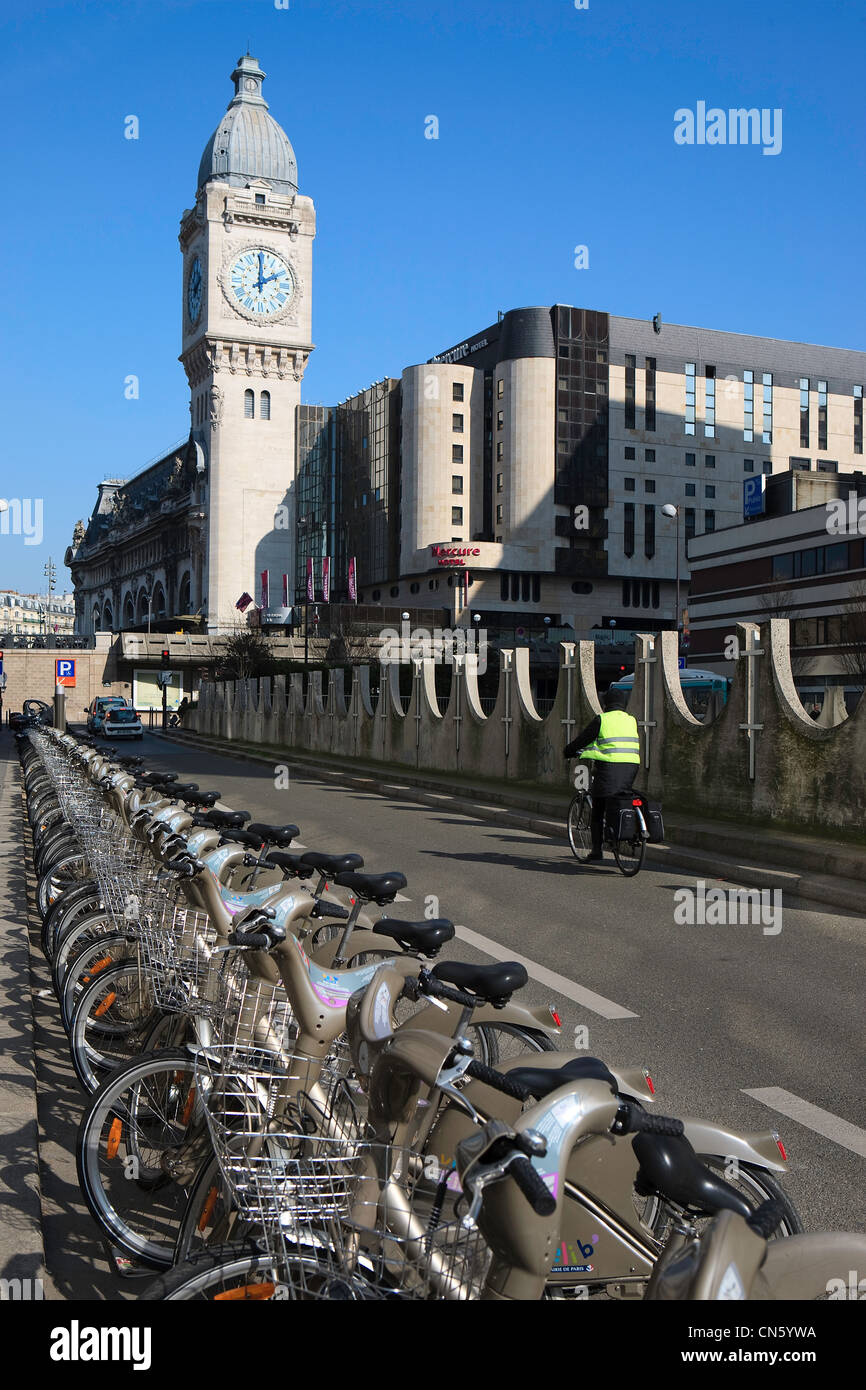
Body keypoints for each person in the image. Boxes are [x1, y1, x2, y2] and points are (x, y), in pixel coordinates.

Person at [564, 687, 641, 862]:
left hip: (608, 767)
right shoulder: (631, 720)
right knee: (621, 798)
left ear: (606, 703)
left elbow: (583, 740)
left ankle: (597, 850)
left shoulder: (602, 720)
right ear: (623, 704)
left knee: (598, 808)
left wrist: (568, 751)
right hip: (631, 766)